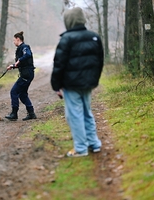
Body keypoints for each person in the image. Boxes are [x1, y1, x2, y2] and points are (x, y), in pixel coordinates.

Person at [51, 7, 104, 157]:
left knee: (74, 115)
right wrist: (94, 81)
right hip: (88, 84)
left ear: (68, 21)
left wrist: (56, 86)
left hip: (71, 85)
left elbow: (58, 65)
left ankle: (80, 149)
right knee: (87, 113)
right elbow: (99, 62)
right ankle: (94, 144)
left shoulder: (66, 39)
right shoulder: (94, 37)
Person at [5, 31, 37, 121]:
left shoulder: (24, 47)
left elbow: (28, 55)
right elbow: (22, 62)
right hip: (27, 73)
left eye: (14, 40)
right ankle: (31, 113)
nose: (13, 42)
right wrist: (13, 66)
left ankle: (14, 113)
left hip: (27, 74)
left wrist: (19, 60)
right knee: (22, 94)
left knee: (14, 91)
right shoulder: (20, 48)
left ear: (18, 39)